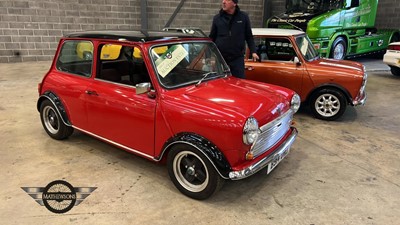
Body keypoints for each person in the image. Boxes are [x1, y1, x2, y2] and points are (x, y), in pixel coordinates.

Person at [209, 0, 259, 78]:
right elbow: (212, 38)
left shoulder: (243, 17)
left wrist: (253, 52)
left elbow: (249, 36)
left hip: (237, 58)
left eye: (227, 0)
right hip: (221, 58)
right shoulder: (217, 18)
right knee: (221, 83)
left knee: (239, 82)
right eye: (223, 0)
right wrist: (211, 56)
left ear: (234, 3)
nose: (223, 2)